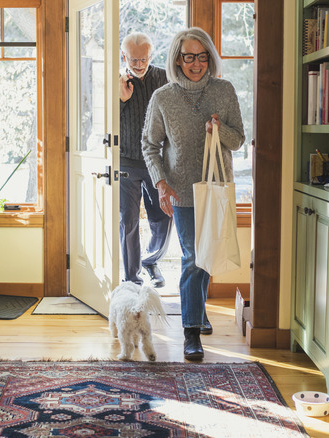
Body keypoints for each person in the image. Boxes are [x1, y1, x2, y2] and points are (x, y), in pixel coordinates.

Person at [142, 27, 245, 360]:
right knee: (192, 258)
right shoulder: (163, 98)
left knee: (208, 255)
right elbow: (150, 145)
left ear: (210, 58)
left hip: (216, 187)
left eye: (202, 57)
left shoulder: (225, 91)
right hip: (182, 191)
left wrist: (220, 129)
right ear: (177, 59)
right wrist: (160, 183)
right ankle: (191, 332)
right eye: (189, 56)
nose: (196, 63)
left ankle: (198, 315)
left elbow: (238, 140)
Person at [118, 32, 172, 288]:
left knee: (163, 216)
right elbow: (103, 122)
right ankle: (131, 277)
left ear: (151, 56)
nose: (138, 65)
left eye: (143, 59)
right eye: (133, 59)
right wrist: (120, 99)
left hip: (158, 161)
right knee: (127, 220)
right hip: (126, 161)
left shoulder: (164, 77)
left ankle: (151, 260)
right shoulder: (116, 80)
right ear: (124, 56)